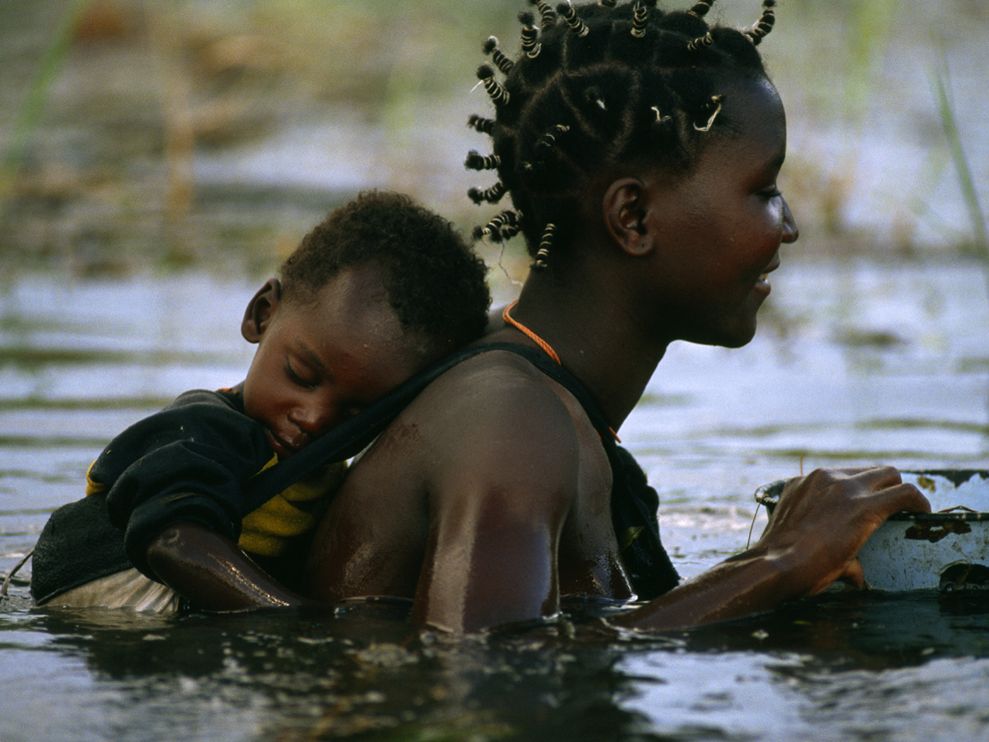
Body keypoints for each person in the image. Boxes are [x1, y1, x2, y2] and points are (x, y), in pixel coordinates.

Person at [299, 0, 930, 632]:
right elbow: (488, 684)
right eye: (765, 192)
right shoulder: (512, 419)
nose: (788, 227)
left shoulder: (534, 387)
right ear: (632, 217)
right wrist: (780, 562)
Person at [29, 190, 491, 613]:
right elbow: (173, 540)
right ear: (262, 314)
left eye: (356, 413)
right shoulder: (206, 430)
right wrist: (296, 619)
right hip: (95, 597)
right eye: (300, 375)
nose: (313, 419)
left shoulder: (329, 474)